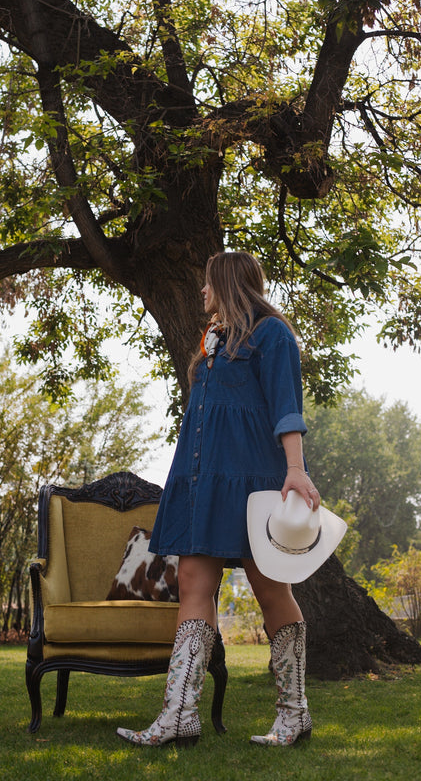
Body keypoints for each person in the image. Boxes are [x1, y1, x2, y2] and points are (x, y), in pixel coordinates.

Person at [116, 251, 320, 749]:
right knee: (191, 581)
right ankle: (178, 715)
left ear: (227, 282)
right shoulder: (214, 341)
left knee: (270, 589)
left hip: (253, 482)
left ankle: (294, 715)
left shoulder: (272, 334)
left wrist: (295, 471)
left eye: (208, 284)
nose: (202, 293)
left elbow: (286, 409)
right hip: (203, 481)